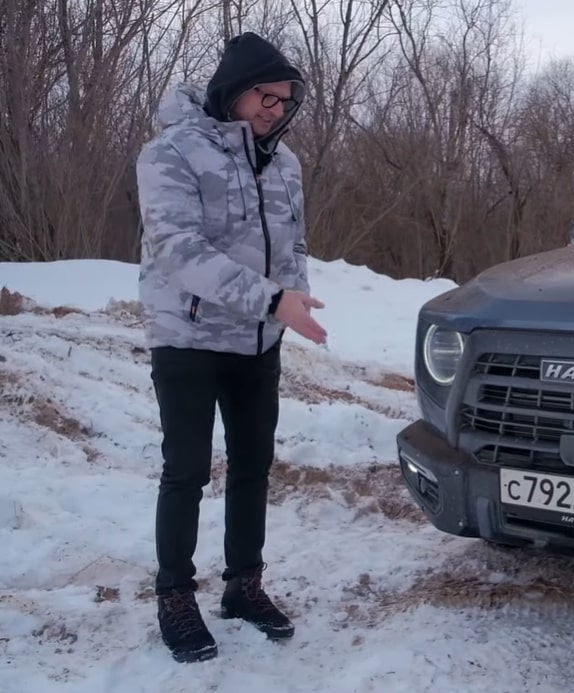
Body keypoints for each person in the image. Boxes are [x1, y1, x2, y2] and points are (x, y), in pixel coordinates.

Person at [135, 31, 327, 663]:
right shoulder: (172, 153)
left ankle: (244, 585)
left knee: (252, 468)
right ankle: (174, 596)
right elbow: (179, 251)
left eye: (285, 99)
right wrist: (273, 301)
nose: (276, 108)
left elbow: (292, 247)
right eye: (264, 96)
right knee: (186, 471)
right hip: (188, 338)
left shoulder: (287, 163)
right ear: (233, 90)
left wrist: (293, 301)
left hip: (258, 343)